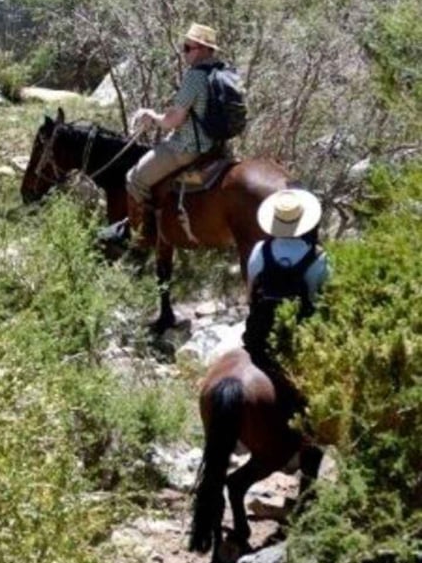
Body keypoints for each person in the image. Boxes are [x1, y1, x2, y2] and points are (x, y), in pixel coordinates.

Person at [112, 23, 227, 245]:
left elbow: (173, 121)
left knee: (134, 179)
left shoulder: (196, 76)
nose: (183, 52)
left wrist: (151, 117)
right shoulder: (224, 72)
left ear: (203, 49)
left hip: (187, 148)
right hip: (216, 146)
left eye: (187, 48)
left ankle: (140, 240)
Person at [244, 188, 330, 417]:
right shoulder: (319, 258)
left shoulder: (260, 250)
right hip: (298, 334)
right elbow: (318, 300)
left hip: (260, 332)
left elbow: (250, 293)